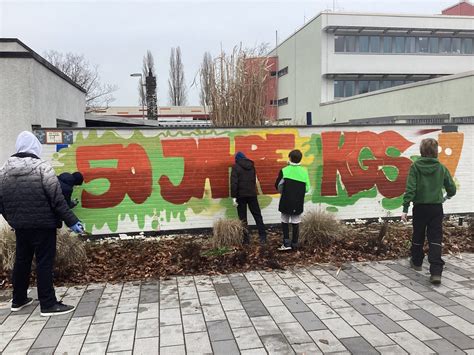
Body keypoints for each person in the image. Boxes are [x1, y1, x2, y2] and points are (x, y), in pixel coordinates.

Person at [0, 131, 84, 316]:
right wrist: (73, 221)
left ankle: (18, 299)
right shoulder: (42, 168)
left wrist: (12, 220)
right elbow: (57, 200)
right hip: (44, 225)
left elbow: (1, 201)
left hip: (21, 227)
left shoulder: (4, 169)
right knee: (44, 263)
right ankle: (48, 304)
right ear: (35, 147)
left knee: (22, 261)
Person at [401, 138, 456, 285]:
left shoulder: (415, 167)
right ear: (435, 151)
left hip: (420, 207)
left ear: (421, 151)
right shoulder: (441, 168)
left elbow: (410, 189)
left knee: (418, 234)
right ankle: (436, 272)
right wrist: (447, 196)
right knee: (435, 238)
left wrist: (405, 209)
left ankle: (417, 262)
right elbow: (452, 188)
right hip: (436, 208)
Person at [275, 149, 310, 251]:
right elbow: (307, 188)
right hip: (298, 201)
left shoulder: (284, 170)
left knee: (284, 221)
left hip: (286, 200)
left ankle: (286, 244)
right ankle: (295, 243)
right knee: (296, 222)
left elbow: (278, 186)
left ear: (290, 158)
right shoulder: (304, 171)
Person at [230, 151, 267, 244]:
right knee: (257, 215)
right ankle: (263, 237)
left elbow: (234, 184)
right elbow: (254, 181)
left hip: (240, 196)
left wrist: (234, 197)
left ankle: (246, 240)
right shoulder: (252, 166)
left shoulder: (236, 167)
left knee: (243, 218)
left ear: (237, 159)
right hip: (252, 194)